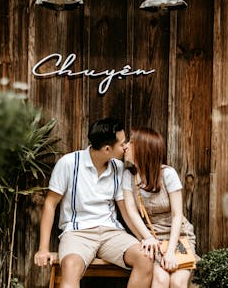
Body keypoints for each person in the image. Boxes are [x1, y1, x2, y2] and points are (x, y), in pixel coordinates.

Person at [34, 117, 153, 288]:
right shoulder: (68, 163)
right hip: (77, 233)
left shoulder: (118, 167)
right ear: (106, 149)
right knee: (70, 266)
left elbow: (125, 211)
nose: (126, 146)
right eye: (122, 143)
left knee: (145, 258)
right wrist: (43, 248)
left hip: (111, 233)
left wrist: (146, 239)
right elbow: (50, 204)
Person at [122, 127, 197, 288]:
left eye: (131, 142)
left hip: (178, 237)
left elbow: (178, 215)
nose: (125, 146)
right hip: (152, 239)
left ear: (144, 148)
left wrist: (170, 252)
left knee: (177, 283)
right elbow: (132, 212)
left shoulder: (168, 174)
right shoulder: (128, 176)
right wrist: (147, 237)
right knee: (160, 281)